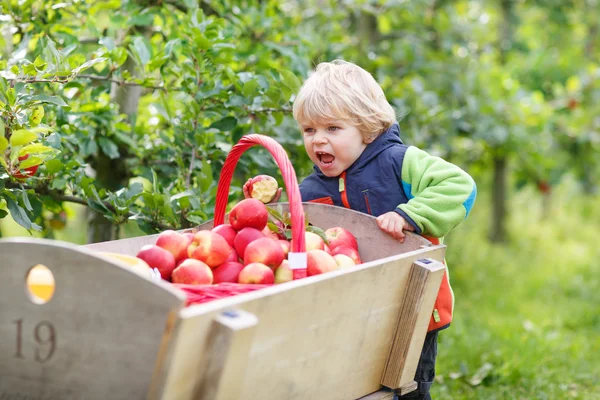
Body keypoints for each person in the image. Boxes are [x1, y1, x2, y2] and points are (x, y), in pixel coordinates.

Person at [244, 59, 477, 399]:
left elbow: (460, 186)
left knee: (407, 387)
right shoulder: (308, 191)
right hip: (349, 314)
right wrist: (266, 209)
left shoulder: (399, 163)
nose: (318, 140)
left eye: (332, 129)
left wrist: (410, 214)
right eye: (309, 130)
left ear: (367, 127)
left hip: (410, 307)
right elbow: (293, 238)